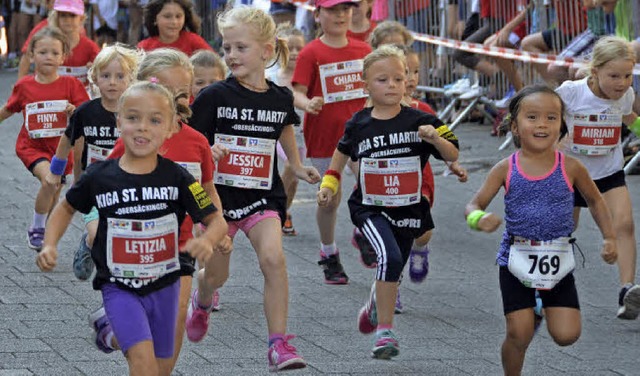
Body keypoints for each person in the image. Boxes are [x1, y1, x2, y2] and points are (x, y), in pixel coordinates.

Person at [35, 80, 228, 376]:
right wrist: (50, 243)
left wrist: (210, 239)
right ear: (119, 122)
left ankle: (109, 334)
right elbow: (66, 207)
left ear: (170, 128)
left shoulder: (179, 178)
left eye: (154, 120)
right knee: (142, 363)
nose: (142, 127)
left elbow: (214, 218)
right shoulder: (98, 176)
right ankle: (114, 330)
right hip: (119, 286)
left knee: (162, 367)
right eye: (133, 118)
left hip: (166, 286)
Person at [189, 6, 320, 371]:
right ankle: (202, 299)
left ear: (266, 51)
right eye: (227, 48)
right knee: (217, 275)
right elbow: (190, 137)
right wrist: (206, 149)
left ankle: (279, 344)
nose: (231, 55)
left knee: (274, 260)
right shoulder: (214, 96)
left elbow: (284, 128)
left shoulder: (279, 97)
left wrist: (296, 165)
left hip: (263, 196)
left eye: (240, 48)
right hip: (218, 200)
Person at [465, 84, 618, 375]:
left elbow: (595, 201)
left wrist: (609, 237)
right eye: (532, 117)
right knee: (518, 334)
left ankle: (537, 312)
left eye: (551, 117)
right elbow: (473, 204)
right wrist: (479, 219)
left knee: (566, 335)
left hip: (557, 260)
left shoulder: (571, 167)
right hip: (515, 260)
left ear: (562, 124)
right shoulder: (505, 168)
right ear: (514, 126)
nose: (542, 124)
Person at [318, 45, 459, 359]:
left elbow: (453, 151)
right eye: (383, 80)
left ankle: (372, 306)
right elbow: (340, 154)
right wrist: (330, 182)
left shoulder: (424, 119)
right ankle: (384, 333)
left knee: (393, 265)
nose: (393, 85)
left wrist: (436, 138)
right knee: (390, 257)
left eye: (399, 78)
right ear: (365, 84)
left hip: (409, 209)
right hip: (370, 207)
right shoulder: (358, 123)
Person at [105, 48, 232, 372]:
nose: (175, 100)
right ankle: (113, 326)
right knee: (139, 337)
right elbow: (104, 187)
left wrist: (216, 226)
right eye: (166, 92)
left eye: (181, 93)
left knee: (173, 321)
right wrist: (95, 227)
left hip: (179, 248)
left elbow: (207, 189)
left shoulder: (197, 142)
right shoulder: (132, 140)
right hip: (132, 250)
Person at [556, 36, 640, 320]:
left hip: (608, 172)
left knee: (625, 224)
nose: (622, 82)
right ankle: (552, 286)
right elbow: (542, 112)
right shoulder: (571, 92)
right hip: (570, 172)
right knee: (564, 231)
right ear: (595, 72)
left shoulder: (626, 95)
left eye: (628, 75)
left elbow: (630, 119)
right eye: (614, 76)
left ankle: (627, 290)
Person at [292, 0, 371, 284]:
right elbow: (296, 92)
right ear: (317, 15)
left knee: (372, 185)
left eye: (345, 10)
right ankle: (329, 252)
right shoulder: (311, 52)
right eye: (332, 10)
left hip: (363, 135)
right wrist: (307, 103)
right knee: (330, 199)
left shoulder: (364, 50)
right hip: (325, 136)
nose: (340, 16)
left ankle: (364, 230)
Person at [48, 43, 140, 280]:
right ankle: (88, 246)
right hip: (93, 187)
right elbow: (67, 140)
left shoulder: (137, 113)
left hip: (127, 188)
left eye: (120, 76)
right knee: (97, 232)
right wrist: (55, 172)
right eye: (106, 76)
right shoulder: (85, 112)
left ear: (131, 79)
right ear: (95, 78)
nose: (112, 82)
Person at [0, 26, 89, 250]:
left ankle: (44, 227)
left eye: (54, 52)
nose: (48, 57)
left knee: (54, 188)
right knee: (50, 179)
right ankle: (37, 227)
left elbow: (85, 111)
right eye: (42, 52)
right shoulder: (24, 86)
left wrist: (73, 110)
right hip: (32, 147)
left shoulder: (71, 84)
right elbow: (8, 110)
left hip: (61, 150)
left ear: (63, 57)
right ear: (31, 56)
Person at [269, 23, 306, 236]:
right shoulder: (273, 78)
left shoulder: (309, 78)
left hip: (301, 137)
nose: (294, 53)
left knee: (292, 181)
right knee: (291, 169)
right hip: (277, 136)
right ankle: (275, 208)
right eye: (289, 48)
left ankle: (285, 210)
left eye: (299, 48)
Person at [18, 0, 100, 85]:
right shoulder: (43, 31)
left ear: (81, 18)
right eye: (63, 15)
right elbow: (26, 55)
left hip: (81, 95)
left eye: (72, 15)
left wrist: (95, 72)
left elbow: (102, 72)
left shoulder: (89, 46)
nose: (68, 20)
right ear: (56, 17)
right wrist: (20, 87)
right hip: (48, 92)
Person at [137, 0, 213, 56]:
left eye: (178, 16)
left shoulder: (194, 41)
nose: (174, 22)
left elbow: (215, 64)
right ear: (154, 19)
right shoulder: (144, 47)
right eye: (167, 16)